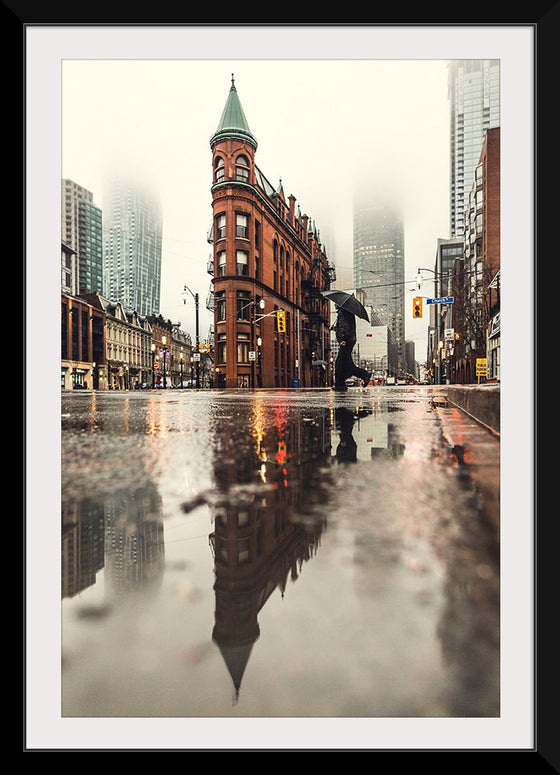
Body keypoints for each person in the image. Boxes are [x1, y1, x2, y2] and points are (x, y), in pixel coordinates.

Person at [331, 305, 371, 391]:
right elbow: (344, 326)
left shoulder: (343, 312)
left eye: (335, 303)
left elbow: (344, 326)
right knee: (345, 364)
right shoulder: (345, 312)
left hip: (346, 341)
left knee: (340, 363)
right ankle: (341, 384)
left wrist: (342, 338)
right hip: (349, 339)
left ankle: (340, 384)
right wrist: (335, 328)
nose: (334, 304)